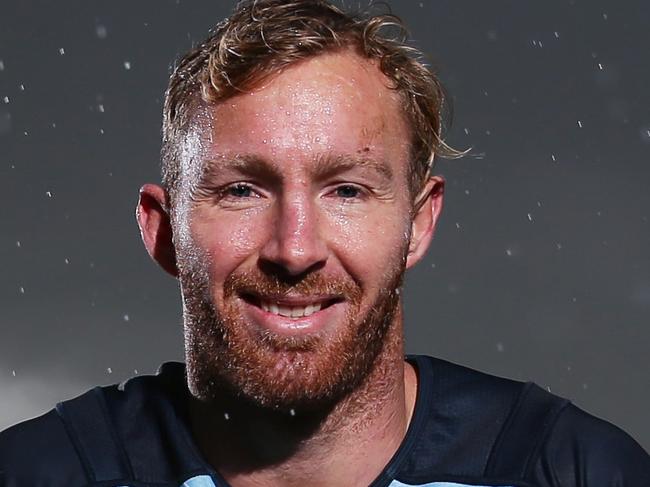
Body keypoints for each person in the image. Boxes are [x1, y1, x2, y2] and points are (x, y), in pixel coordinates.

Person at [1, 1, 649, 486]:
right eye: (241, 190)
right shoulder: (39, 472)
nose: (295, 247)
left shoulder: (573, 469)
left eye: (346, 190)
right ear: (163, 230)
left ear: (418, 222)